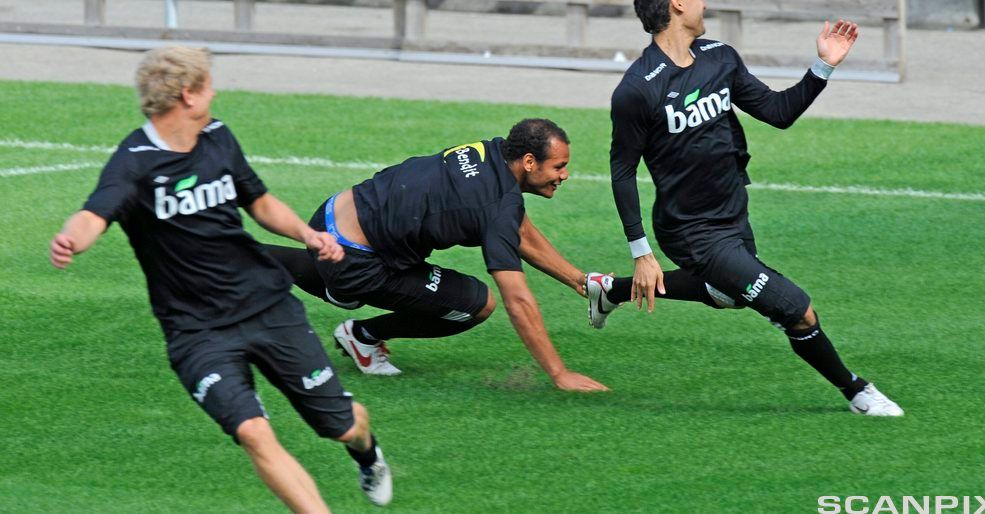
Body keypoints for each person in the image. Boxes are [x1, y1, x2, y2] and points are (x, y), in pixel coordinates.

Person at [49, 46, 392, 512]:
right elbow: (94, 214)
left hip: (267, 307)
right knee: (253, 432)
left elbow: (260, 201)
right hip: (196, 331)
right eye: (209, 84)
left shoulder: (218, 138)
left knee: (341, 426)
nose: (215, 91)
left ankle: (367, 456)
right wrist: (71, 239)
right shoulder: (134, 161)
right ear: (188, 95)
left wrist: (308, 235)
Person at [585, 0, 903, 416]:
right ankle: (856, 390)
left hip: (733, 213)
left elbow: (777, 112)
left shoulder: (720, 57)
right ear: (677, 4)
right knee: (795, 308)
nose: (704, 2)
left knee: (728, 294)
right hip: (690, 229)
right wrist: (641, 251)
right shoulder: (638, 89)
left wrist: (823, 65)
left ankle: (609, 291)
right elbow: (621, 172)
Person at [263, 119, 609, 393]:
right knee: (478, 304)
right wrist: (559, 373)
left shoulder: (487, 151)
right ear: (529, 162)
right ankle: (362, 335)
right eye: (559, 167)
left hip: (328, 218)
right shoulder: (497, 207)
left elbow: (520, 232)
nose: (564, 175)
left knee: (340, 275)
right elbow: (517, 300)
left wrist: (580, 282)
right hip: (357, 258)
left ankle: (237, 252)